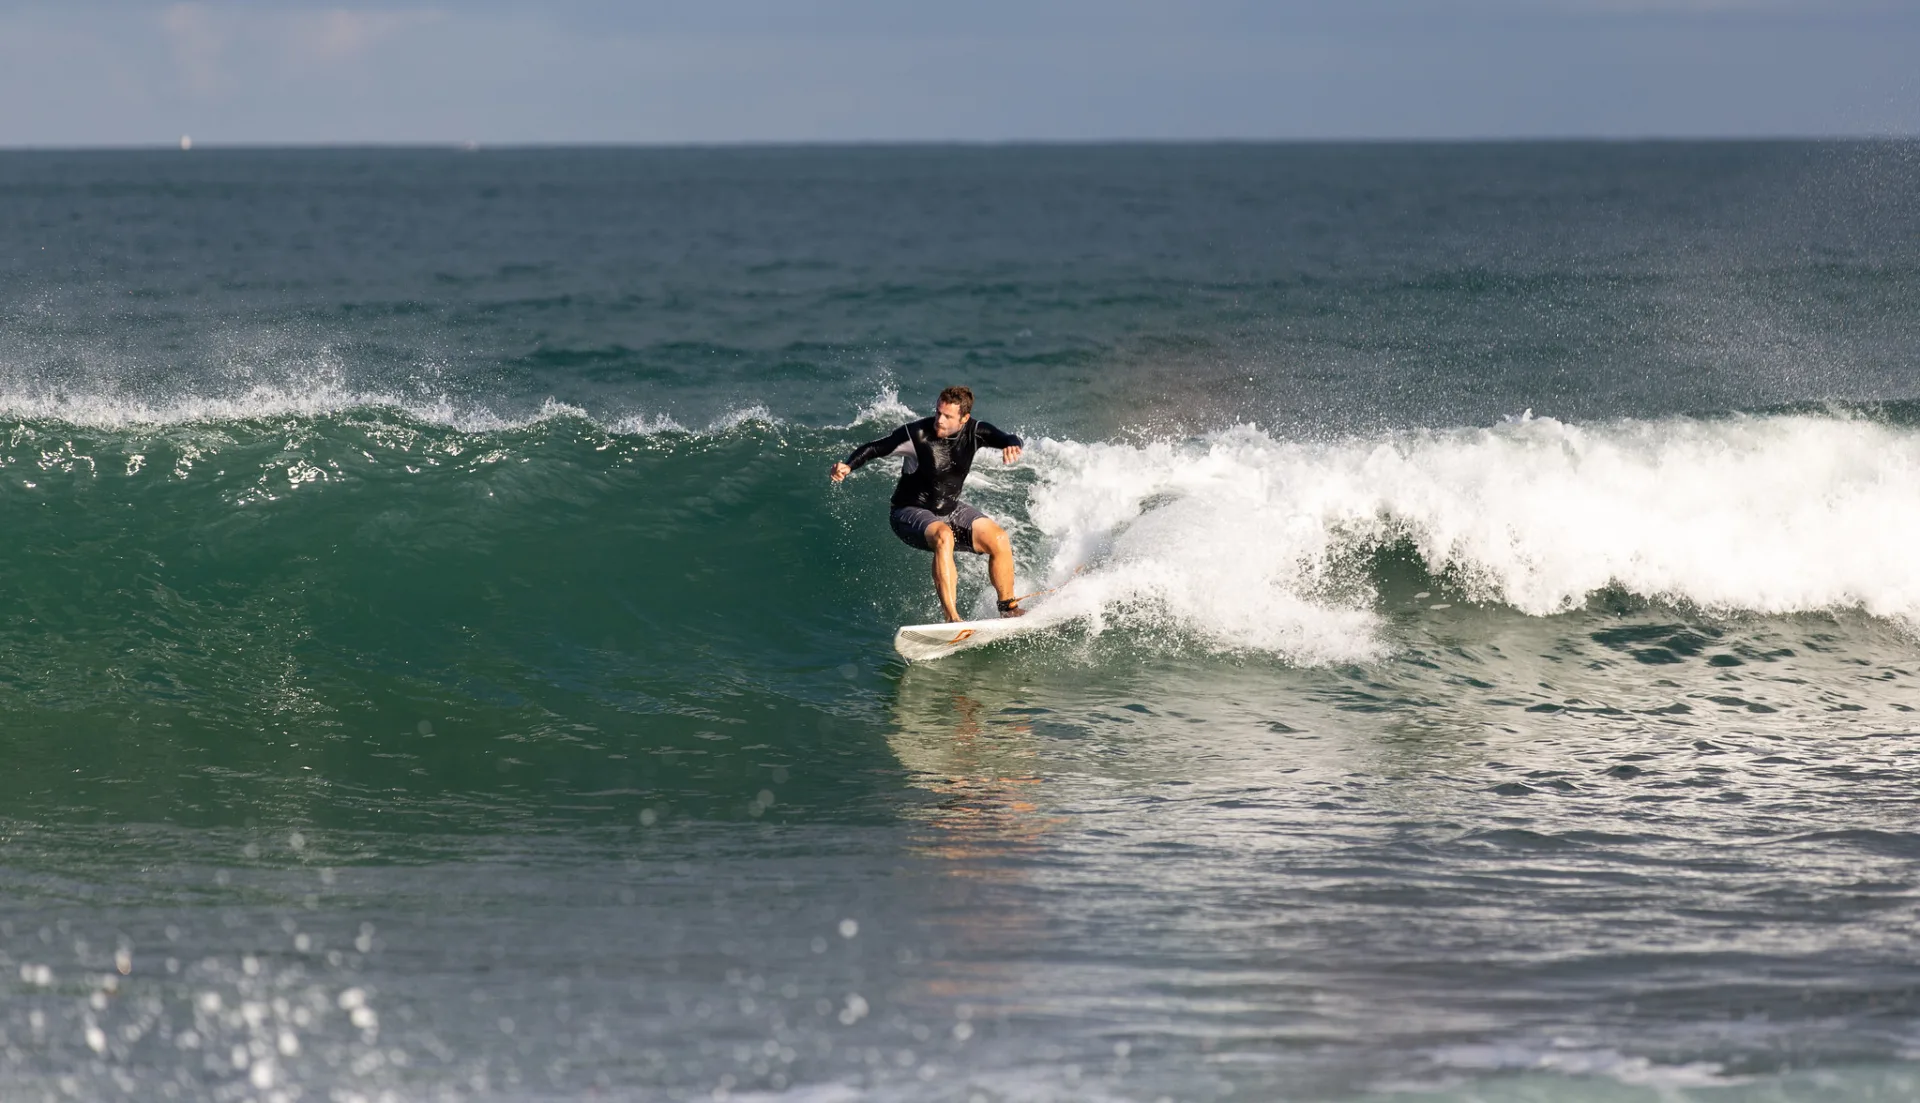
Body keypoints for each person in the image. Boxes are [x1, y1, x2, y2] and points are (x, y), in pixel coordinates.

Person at [830, 386, 1025, 623]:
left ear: (964, 419)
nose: (939, 421)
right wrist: (849, 466)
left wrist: (1013, 445)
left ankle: (1008, 608)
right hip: (907, 513)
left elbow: (1007, 438)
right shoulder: (916, 435)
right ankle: (952, 619)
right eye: (938, 413)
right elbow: (874, 448)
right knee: (944, 536)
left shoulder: (975, 431)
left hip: (950, 509)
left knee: (998, 538)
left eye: (947, 416)